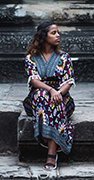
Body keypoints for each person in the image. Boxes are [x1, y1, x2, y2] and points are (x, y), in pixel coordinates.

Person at [23, 21, 75, 170]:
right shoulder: (31, 58)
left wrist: (58, 92)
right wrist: (51, 90)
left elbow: (68, 81)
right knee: (41, 95)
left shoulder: (64, 57)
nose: (58, 35)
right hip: (38, 98)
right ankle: (51, 141)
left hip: (61, 96)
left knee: (55, 102)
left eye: (58, 32)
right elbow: (34, 80)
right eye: (54, 33)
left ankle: (51, 152)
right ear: (43, 36)